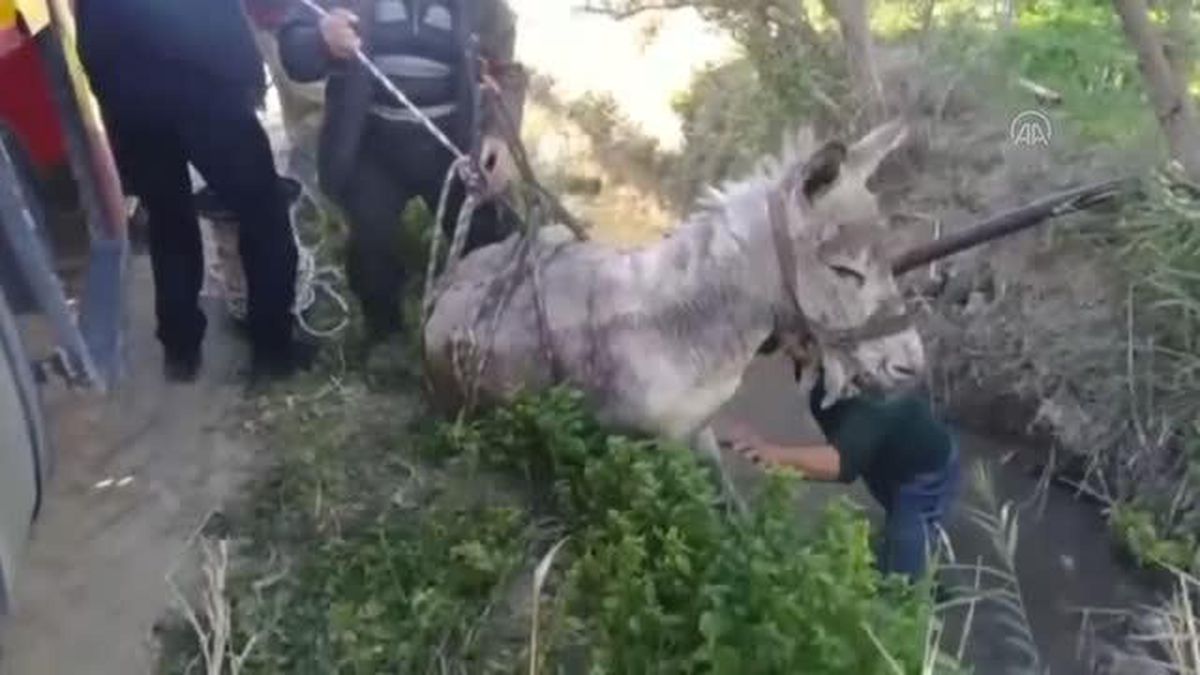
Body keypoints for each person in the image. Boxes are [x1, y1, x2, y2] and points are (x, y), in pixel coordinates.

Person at [75, 0, 315, 382]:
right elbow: (210, 21)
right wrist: (246, 76)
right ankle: (272, 350)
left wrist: (116, 105)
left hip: (134, 110)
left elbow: (91, 44)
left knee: (168, 223)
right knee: (264, 214)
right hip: (206, 95)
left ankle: (181, 349)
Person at [277, 0, 526, 343]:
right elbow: (295, 54)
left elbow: (507, 70)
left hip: (452, 145)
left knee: (487, 236)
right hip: (372, 145)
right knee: (371, 243)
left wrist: (500, 138)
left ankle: (482, 330)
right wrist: (321, 39)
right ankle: (385, 334)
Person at [723, 364, 961, 583]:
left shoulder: (871, 403)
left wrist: (769, 453)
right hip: (884, 459)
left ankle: (929, 594)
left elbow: (838, 465)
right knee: (897, 526)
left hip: (925, 474)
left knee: (903, 563)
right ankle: (923, 563)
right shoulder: (820, 370)